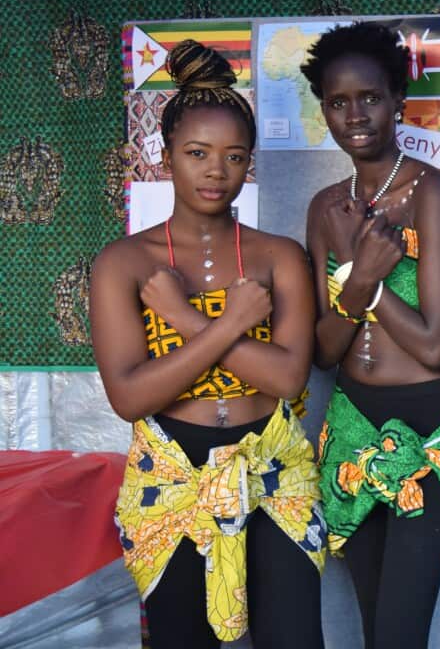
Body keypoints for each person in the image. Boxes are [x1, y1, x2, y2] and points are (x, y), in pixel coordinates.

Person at [90, 40, 323, 648]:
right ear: (165, 155)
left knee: (294, 638)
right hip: (170, 472)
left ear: (250, 164)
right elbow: (130, 395)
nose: (216, 171)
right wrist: (228, 323)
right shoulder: (124, 263)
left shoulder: (280, 256)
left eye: (234, 156)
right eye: (197, 153)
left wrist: (183, 318)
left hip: (273, 468)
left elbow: (288, 380)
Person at [301, 22, 440, 648]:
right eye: (338, 101)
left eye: (371, 97)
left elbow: (434, 345)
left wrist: (367, 284)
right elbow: (323, 355)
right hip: (351, 424)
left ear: (399, 98)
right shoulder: (326, 208)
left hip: (431, 427)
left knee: (401, 630)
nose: (356, 114)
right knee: (376, 625)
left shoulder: (429, 191)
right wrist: (357, 281)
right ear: (323, 107)